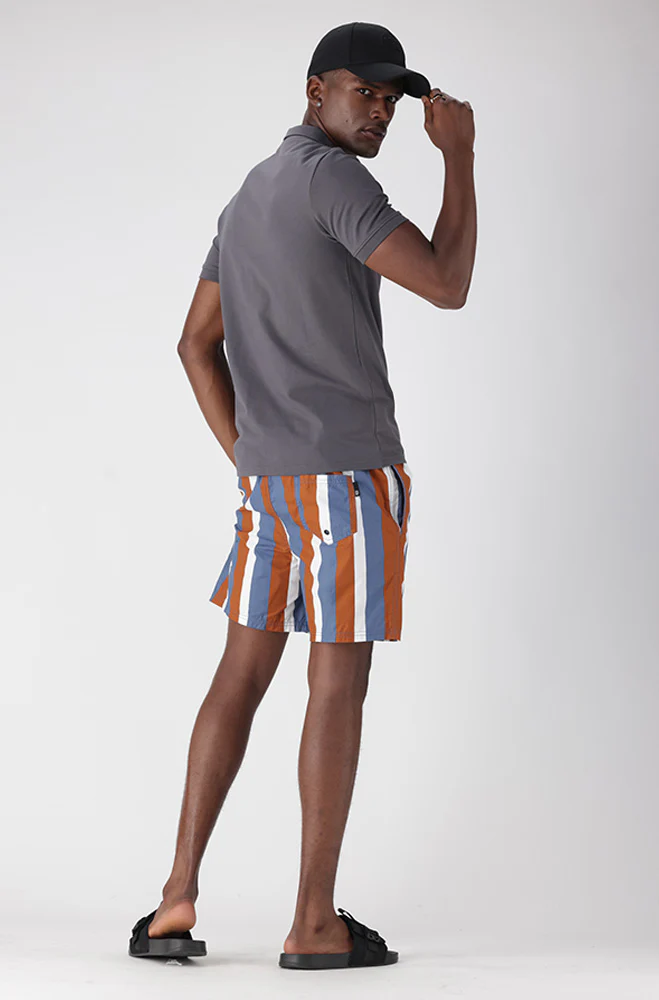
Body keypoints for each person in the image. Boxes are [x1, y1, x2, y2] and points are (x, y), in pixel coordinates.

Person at [128, 21, 476, 970]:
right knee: (336, 685)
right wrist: (460, 158)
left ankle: (174, 900)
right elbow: (446, 284)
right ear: (315, 88)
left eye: (392, 100)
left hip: (272, 489)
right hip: (349, 480)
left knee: (239, 676)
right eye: (366, 92)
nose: (382, 112)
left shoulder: (249, 193)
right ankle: (314, 923)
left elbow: (193, 342)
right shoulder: (336, 181)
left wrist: (251, 458)